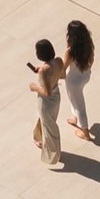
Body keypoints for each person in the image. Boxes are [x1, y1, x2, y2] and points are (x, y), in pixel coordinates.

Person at [29, 38, 65, 166]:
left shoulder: (44, 71)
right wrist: (44, 73)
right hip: (56, 97)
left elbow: (46, 92)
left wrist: (34, 87)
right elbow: (62, 75)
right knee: (46, 122)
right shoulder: (59, 61)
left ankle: (53, 155)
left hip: (46, 102)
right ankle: (39, 137)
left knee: (49, 127)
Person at [64, 19, 94, 140]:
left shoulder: (70, 51)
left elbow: (63, 68)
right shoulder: (88, 44)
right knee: (75, 100)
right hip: (85, 76)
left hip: (73, 82)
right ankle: (75, 118)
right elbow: (92, 59)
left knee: (79, 106)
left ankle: (85, 133)